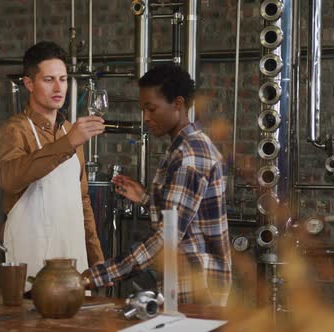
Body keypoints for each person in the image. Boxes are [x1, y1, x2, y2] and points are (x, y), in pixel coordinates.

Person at [82, 64, 232, 305]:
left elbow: (166, 237)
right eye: (143, 109)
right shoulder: (187, 147)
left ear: (178, 103)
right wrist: (145, 199)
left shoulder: (189, 158)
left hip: (196, 292)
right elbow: (187, 218)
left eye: (151, 108)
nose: (146, 118)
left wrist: (98, 276)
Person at [0, 41, 106, 290]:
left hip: (73, 258)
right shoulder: (14, 130)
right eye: (49, 80)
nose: (59, 87)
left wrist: (96, 260)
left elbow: (83, 201)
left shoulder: (70, 131)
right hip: (30, 261)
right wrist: (68, 144)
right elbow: (9, 179)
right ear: (29, 83)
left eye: (63, 79)